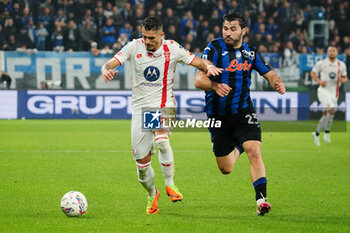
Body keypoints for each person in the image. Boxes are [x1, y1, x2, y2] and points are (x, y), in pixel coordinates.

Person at [101, 16, 222, 215]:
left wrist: (208, 66)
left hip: (163, 105)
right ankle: (152, 194)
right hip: (140, 110)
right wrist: (106, 70)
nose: (147, 42)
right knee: (142, 165)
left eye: (151, 38)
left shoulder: (172, 48)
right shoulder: (134, 47)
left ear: (161, 35)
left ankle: (170, 185)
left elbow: (198, 62)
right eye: (144, 37)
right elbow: (109, 64)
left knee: (162, 140)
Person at [194, 11, 286, 216]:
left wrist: (276, 82)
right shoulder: (213, 48)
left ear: (243, 30)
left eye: (233, 29)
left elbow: (268, 72)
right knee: (226, 168)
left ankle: (261, 200)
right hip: (218, 115)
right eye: (225, 28)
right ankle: (238, 145)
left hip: (244, 110)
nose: (228, 33)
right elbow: (198, 80)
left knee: (254, 150)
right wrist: (215, 86)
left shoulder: (250, 53)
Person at [311, 46, 348, 146]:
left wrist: (342, 80)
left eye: (334, 51)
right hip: (323, 90)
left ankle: (317, 133)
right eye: (330, 51)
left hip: (334, 93)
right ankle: (327, 133)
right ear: (327, 53)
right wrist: (319, 81)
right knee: (331, 109)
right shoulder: (322, 63)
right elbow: (313, 73)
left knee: (327, 114)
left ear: (337, 52)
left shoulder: (341, 64)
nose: (332, 52)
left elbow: (345, 78)